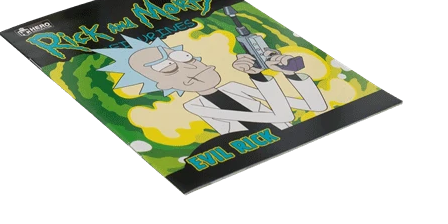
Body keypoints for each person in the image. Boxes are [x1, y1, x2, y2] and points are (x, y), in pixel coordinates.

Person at [93, 35, 328, 135]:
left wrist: (290, 74)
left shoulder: (234, 87)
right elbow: (281, 115)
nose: (190, 67)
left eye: (185, 58)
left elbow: (317, 106)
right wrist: (258, 77)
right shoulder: (194, 106)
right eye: (167, 68)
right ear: (158, 83)